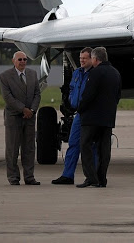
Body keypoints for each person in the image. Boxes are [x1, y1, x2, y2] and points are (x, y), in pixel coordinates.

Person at [76, 47, 122, 188]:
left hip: (91, 118)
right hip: (108, 118)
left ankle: (91, 177)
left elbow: (88, 95)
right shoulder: (116, 73)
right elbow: (118, 95)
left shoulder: (95, 73)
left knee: (85, 145)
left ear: (95, 59)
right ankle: (102, 178)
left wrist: (80, 109)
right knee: (104, 149)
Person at [52, 47, 95, 185]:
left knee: (91, 146)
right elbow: (71, 88)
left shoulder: (96, 75)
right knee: (73, 143)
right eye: (80, 58)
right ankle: (68, 175)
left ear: (92, 59)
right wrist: (71, 100)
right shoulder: (77, 73)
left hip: (91, 115)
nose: (81, 61)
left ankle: (93, 176)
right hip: (79, 114)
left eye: (85, 58)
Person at [0, 51, 41, 185]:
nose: (23, 62)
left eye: (25, 59)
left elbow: (37, 94)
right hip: (14, 117)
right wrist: (23, 109)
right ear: (14, 61)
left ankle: (29, 177)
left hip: (29, 117)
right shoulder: (5, 76)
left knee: (29, 148)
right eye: (20, 60)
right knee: (12, 149)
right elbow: (7, 97)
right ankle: (13, 177)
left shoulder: (32, 74)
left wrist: (32, 110)